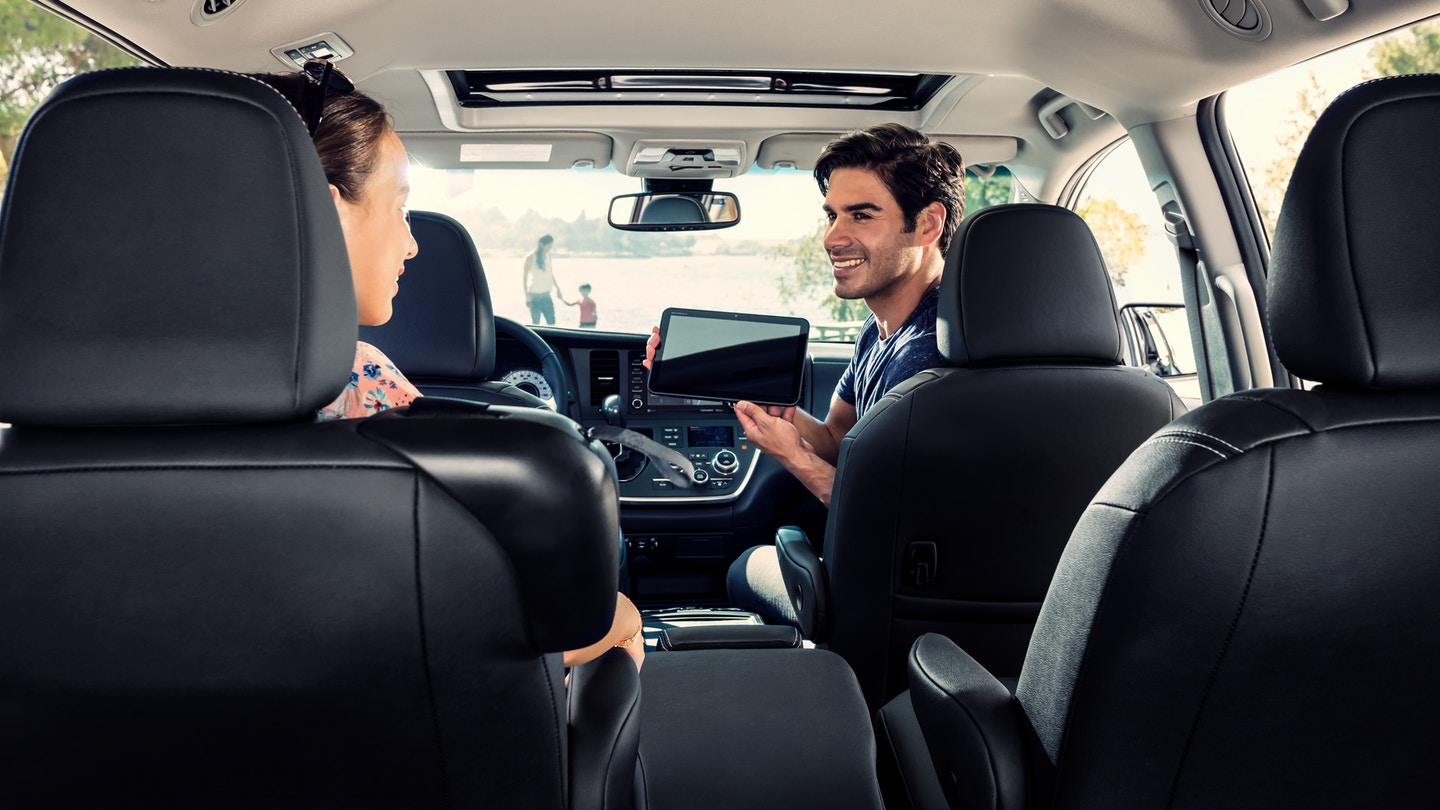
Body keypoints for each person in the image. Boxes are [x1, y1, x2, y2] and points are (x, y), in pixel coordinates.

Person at [254, 64, 643, 669]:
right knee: (618, 617)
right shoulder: (363, 385)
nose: (411, 243)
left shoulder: (72, 401)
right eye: (401, 207)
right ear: (326, 213)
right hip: (379, 723)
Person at [646, 123, 964, 624]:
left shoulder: (932, 358)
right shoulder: (885, 328)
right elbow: (840, 439)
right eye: (832, 215)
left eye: (861, 215)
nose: (833, 237)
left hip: (906, 594)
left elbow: (896, 522)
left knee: (743, 568)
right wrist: (773, 408)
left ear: (927, 225)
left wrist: (792, 457)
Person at [523, 234, 570, 325]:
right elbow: (524, 278)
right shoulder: (530, 257)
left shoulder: (549, 256)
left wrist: (558, 288)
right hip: (534, 295)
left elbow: (551, 275)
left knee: (551, 321)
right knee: (535, 322)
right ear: (542, 244)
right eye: (549, 246)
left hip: (546, 295)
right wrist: (527, 297)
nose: (550, 248)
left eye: (551, 246)